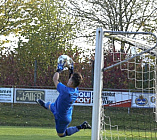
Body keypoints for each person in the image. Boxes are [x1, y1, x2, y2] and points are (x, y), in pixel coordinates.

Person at [36, 56, 91, 137]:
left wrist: (59, 68)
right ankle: (44, 104)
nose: (68, 80)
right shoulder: (75, 90)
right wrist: (71, 69)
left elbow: (55, 79)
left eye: (70, 79)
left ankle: (82, 126)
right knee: (50, 106)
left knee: (61, 134)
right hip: (60, 109)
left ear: (72, 83)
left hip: (62, 117)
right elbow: (72, 79)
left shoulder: (66, 91)